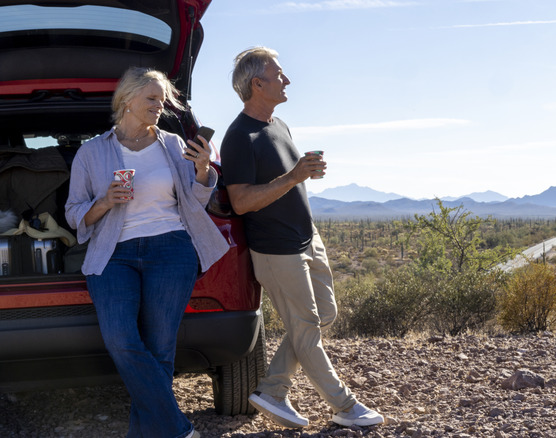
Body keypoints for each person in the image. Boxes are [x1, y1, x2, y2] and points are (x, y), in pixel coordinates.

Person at [220, 47, 384, 429]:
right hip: (276, 250)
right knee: (306, 327)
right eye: (279, 75)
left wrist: (304, 172)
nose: (287, 80)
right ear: (257, 84)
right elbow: (241, 202)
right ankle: (345, 406)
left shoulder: (279, 125)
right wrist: (294, 176)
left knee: (324, 315)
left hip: (307, 238)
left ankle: (273, 389)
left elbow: (288, 177)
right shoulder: (239, 137)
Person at [65, 67, 228, 438]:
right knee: (121, 339)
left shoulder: (172, 144)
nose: (160, 106)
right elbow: (75, 214)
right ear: (127, 100)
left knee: (159, 351)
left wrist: (203, 170)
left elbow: (196, 199)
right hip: (113, 252)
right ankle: (179, 429)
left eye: (162, 99)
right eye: (152, 99)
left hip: (171, 248)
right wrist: (105, 201)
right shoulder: (91, 152)